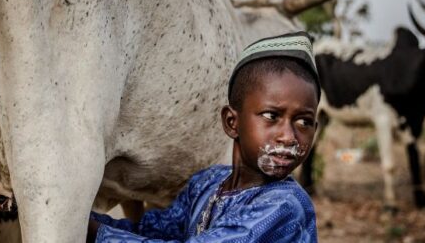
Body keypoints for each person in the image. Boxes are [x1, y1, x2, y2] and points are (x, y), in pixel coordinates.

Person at [87, 31, 320, 242]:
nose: (289, 136)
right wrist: (81, 221)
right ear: (232, 122)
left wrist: (96, 233)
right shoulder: (208, 182)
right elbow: (154, 229)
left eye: (304, 122)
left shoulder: (285, 206)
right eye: (272, 115)